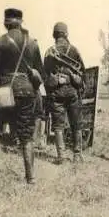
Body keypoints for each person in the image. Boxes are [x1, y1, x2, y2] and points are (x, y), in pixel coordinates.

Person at [0, 8, 45, 184]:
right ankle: (30, 178)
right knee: (26, 134)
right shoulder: (33, 43)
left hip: (5, 91)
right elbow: (41, 73)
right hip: (27, 91)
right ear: (21, 22)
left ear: (6, 22)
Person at [44, 22, 86, 164]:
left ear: (54, 35)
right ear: (66, 34)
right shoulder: (74, 50)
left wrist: (55, 81)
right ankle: (77, 155)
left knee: (58, 126)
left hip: (56, 93)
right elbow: (83, 73)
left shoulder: (49, 51)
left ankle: (61, 156)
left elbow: (45, 76)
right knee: (76, 124)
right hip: (73, 92)